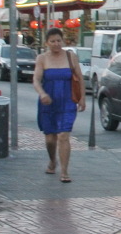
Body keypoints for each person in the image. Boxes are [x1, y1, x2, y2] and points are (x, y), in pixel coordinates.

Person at [32, 27, 86, 182]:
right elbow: (36, 79)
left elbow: (79, 78)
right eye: (52, 41)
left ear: (63, 41)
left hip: (67, 100)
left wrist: (82, 98)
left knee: (63, 135)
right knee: (50, 138)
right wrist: (42, 93)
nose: (56, 44)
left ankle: (64, 171)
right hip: (48, 101)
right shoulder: (42, 58)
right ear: (46, 43)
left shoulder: (71, 57)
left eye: (59, 40)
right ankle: (52, 160)